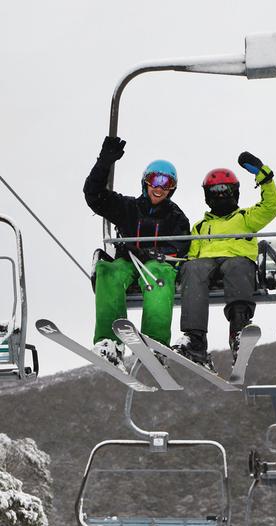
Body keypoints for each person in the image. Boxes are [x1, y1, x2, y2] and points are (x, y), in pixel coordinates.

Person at [84, 136, 190, 369]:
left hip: (155, 265)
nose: (159, 188)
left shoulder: (176, 217)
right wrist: (104, 162)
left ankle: (155, 342)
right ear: (145, 182)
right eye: (155, 180)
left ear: (172, 188)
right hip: (127, 261)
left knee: (158, 277)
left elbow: (180, 247)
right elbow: (94, 196)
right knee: (108, 271)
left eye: (167, 183)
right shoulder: (128, 208)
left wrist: (153, 253)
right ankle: (108, 342)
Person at [174, 152, 276, 366]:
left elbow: (271, 206)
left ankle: (239, 328)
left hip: (236, 262)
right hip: (206, 265)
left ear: (235, 193)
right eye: (215, 191)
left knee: (238, 264)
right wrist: (178, 269)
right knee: (193, 268)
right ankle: (195, 339)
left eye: (225, 190)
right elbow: (191, 255)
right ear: (207, 195)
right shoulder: (200, 227)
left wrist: (264, 177)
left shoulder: (246, 218)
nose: (221, 195)